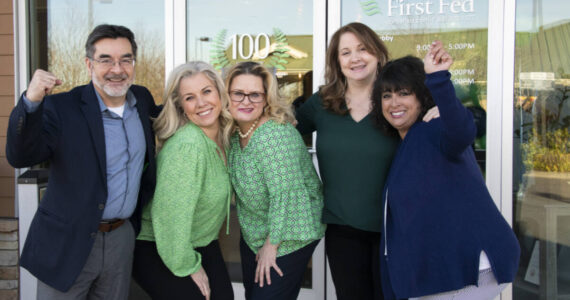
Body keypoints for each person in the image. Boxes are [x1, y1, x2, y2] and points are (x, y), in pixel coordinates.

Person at [6, 24, 160, 299]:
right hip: (69, 242)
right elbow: (21, 156)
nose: (117, 69)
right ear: (89, 64)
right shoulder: (63, 108)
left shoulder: (143, 100)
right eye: (106, 60)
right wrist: (31, 102)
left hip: (120, 238)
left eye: (126, 59)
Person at [295, 22, 440, 299]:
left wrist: (440, 110)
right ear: (337, 62)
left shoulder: (394, 101)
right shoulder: (324, 102)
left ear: (376, 52)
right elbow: (283, 133)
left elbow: (456, 127)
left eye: (362, 49)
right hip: (343, 229)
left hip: (395, 228)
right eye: (345, 52)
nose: (355, 58)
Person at [372, 51, 520, 299]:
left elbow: (463, 130)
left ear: (422, 97)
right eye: (387, 95)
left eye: (404, 93)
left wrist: (439, 81)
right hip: (445, 274)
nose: (394, 103)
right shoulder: (408, 143)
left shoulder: (434, 128)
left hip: (472, 270)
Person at [132, 61, 234, 300]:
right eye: (190, 97)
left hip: (201, 241)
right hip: (161, 245)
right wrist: (187, 265)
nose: (201, 103)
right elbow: (170, 219)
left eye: (207, 91)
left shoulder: (224, 138)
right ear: (180, 106)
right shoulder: (188, 148)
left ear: (220, 93)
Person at [226, 61, 325, 300]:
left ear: (266, 99)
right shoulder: (234, 131)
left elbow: (287, 195)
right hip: (254, 231)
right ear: (226, 95)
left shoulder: (274, 135)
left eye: (255, 95)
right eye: (238, 93)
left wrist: (272, 246)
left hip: (289, 231)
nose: (246, 101)